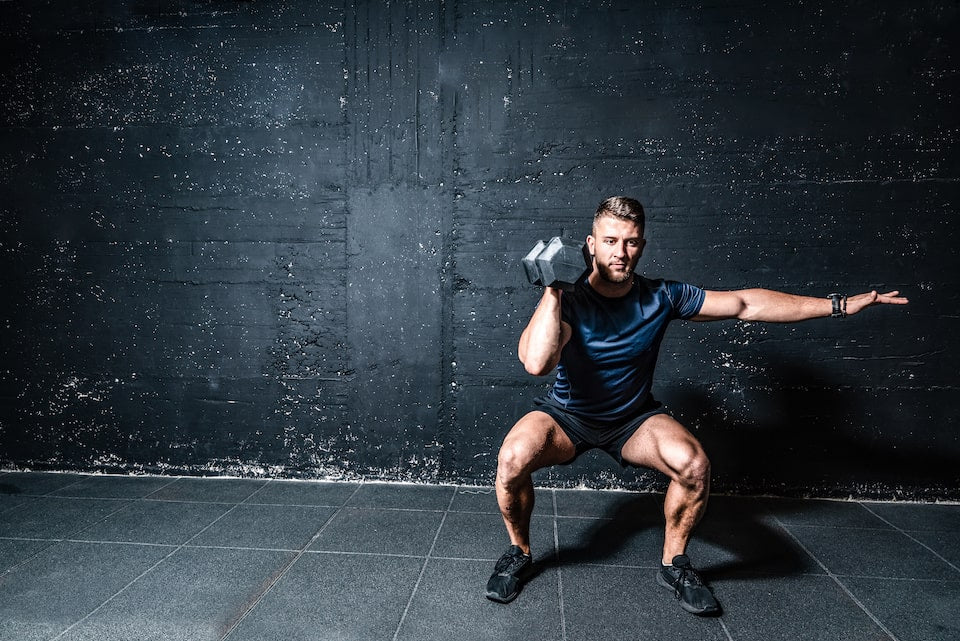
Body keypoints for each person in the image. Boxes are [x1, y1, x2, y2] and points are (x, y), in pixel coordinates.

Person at [484, 196, 908, 615]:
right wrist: (555, 290)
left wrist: (838, 305)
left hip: (632, 420)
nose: (620, 252)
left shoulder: (662, 296)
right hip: (567, 417)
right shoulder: (568, 298)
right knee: (512, 458)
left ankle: (675, 563)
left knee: (694, 465)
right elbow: (537, 363)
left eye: (631, 242)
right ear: (590, 244)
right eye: (610, 241)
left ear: (642, 246)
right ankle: (519, 551)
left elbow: (746, 303)